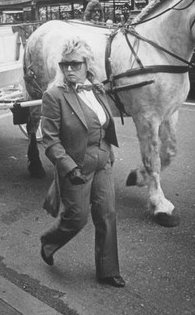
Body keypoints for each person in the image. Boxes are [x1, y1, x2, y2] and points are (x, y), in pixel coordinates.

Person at [39, 36, 125, 288]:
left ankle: (108, 269)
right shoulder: (54, 95)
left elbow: (104, 123)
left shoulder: (96, 88)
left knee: (107, 214)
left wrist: (108, 151)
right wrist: (68, 167)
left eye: (75, 64)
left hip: (102, 160)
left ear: (87, 64)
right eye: (64, 65)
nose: (69, 70)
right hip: (76, 166)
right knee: (77, 218)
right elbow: (51, 141)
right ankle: (49, 242)